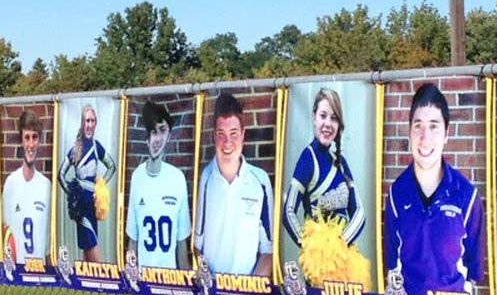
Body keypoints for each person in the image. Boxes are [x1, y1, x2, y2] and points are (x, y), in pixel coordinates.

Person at [385, 82, 485, 295]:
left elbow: (474, 266)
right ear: (409, 132)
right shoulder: (396, 194)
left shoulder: (467, 196)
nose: (424, 137)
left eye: (433, 126)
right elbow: (392, 263)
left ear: (446, 134)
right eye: (418, 126)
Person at [194, 93, 273, 277]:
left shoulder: (260, 181)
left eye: (233, 134)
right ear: (214, 135)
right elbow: (197, 248)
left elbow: (268, 251)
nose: (227, 142)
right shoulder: (205, 179)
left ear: (243, 134)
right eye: (221, 134)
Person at [282, 87, 364, 249]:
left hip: (346, 260)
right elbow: (288, 212)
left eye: (334, 118)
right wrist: (311, 249)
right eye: (323, 116)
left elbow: (359, 212)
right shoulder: (308, 159)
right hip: (320, 267)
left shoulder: (341, 162)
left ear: (339, 125)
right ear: (314, 118)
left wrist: (340, 245)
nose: (327, 123)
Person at [126, 101, 191, 269]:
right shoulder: (137, 177)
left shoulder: (177, 178)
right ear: (147, 139)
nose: (158, 139)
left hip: (170, 282)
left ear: (169, 135)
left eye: (162, 131)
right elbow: (133, 239)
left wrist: (184, 279)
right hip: (143, 279)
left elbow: (181, 241)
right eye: (154, 132)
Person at [57, 104, 117, 264]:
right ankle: (103, 278)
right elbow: (60, 174)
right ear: (82, 123)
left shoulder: (97, 147)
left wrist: (101, 185)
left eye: (92, 121)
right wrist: (72, 193)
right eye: (87, 121)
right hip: (81, 206)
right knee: (90, 243)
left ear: (96, 123)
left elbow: (112, 167)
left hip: (94, 203)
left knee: (88, 244)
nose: (89, 125)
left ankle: (88, 281)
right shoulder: (75, 149)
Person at [2, 109, 51, 263]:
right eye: (27, 138)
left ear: (40, 140)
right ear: (21, 142)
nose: (31, 144)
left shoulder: (46, 186)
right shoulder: (11, 183)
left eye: (35, 138)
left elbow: (49, 244)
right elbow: (5, 233)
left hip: (40, 275)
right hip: (17, 277)